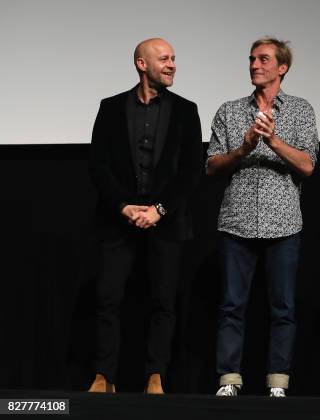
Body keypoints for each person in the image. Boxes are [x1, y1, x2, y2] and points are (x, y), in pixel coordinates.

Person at [88, 38, 203, 394]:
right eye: (164, 59)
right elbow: (99, 164)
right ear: (142, 64)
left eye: (173, 59)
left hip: (164, 221)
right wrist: (122, 206)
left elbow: (190, 171)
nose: (171, 64)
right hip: (118, 218)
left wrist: (159, 210)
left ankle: (156, 375)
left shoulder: (186, 110)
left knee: (163, 300)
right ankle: (104, 376)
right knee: (108, 297)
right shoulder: (110, 108)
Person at [206, 37, 319, 398]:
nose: (255, 64)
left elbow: (308, 165)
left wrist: (272, 141)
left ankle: (277, 383)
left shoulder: (300, 110)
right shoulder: (229, 110)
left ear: (281, 67)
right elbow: (211, 166)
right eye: (252, 59)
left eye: (264, 59)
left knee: (282, 308)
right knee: (231, 306)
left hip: (283, 223)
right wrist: (243, 148)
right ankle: (229, 380)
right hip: (236, 222)